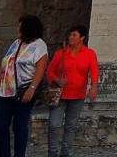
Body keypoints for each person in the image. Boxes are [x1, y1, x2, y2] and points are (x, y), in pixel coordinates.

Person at [0, 15, 48, 157]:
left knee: (19, 125)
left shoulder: (39, 46)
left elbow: (41, 69)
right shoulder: (16, 43)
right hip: (6, 91)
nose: (18, 28)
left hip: (23, 91)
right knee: (1, 125)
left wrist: (32, 88)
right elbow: (5, 64)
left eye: (20, 26)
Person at [45, 25, 98, 157]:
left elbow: (94, 71)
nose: (71, 37)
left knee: (71, 126)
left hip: (78, 95)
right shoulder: (60, 54)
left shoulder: (89, 54)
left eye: (74, 35)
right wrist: (56, 80)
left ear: (82, 38)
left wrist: (94, 87)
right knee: (54, 125)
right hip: (60, 94)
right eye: (70, 35)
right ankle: (52, 153)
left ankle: (65, 153)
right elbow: (49, 71)